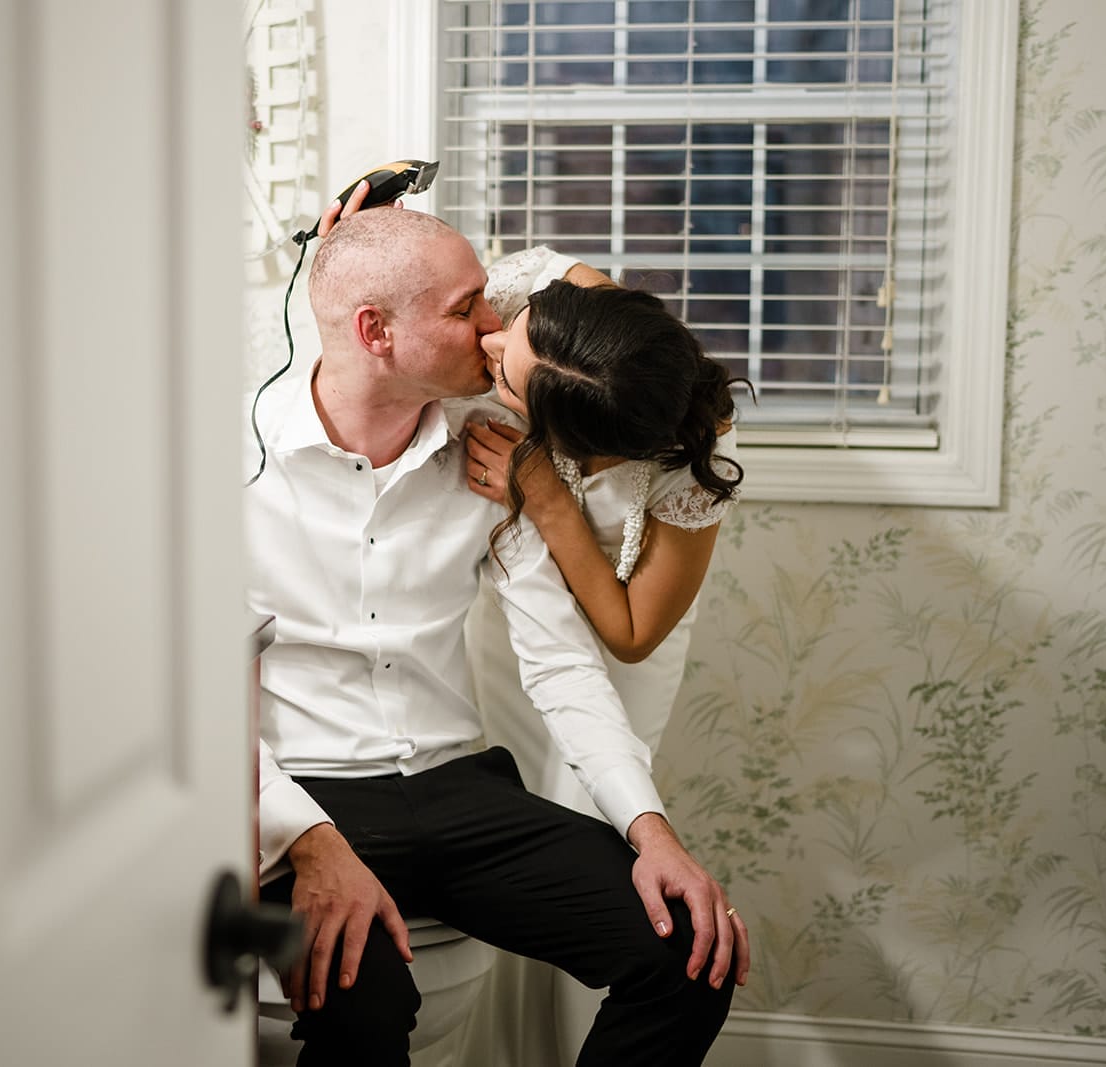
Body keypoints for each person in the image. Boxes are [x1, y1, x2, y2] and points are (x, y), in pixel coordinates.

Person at [244, 199, 750, 1067]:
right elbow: (185, 689)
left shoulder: (499, 457)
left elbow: (562, 664)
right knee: (359, 1006)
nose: (492, 329)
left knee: (690, 959)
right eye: (466, 307)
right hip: (308, 795)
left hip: (456, 790)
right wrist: (304, 840)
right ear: (376, 332)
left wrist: (652, 831)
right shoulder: (229, 461)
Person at [455, 246, 747, 1065]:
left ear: (576, 442)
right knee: (499, 801)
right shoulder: (556, 302)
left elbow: (629, 631)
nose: (486, 349)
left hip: (618, 643)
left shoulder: (692, 448)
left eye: (504, 380)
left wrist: (546, 499)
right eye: (513, 335)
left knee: (582, 823)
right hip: (512, 609)